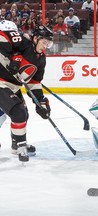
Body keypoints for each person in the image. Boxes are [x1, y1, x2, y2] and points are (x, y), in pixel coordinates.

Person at [0, 21, 53, 162]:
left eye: (48, 43)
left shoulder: (41, 59)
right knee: (18, 111)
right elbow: (3, 36)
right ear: (35, 39)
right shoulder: (24, 42)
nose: (45, 46)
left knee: (24, 113)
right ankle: (21, 146)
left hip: (13, 85)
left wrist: (41, 102)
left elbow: (34, 82)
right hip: (0, 82)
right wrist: (14, 59)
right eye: (44, 42)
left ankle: (16, 144)